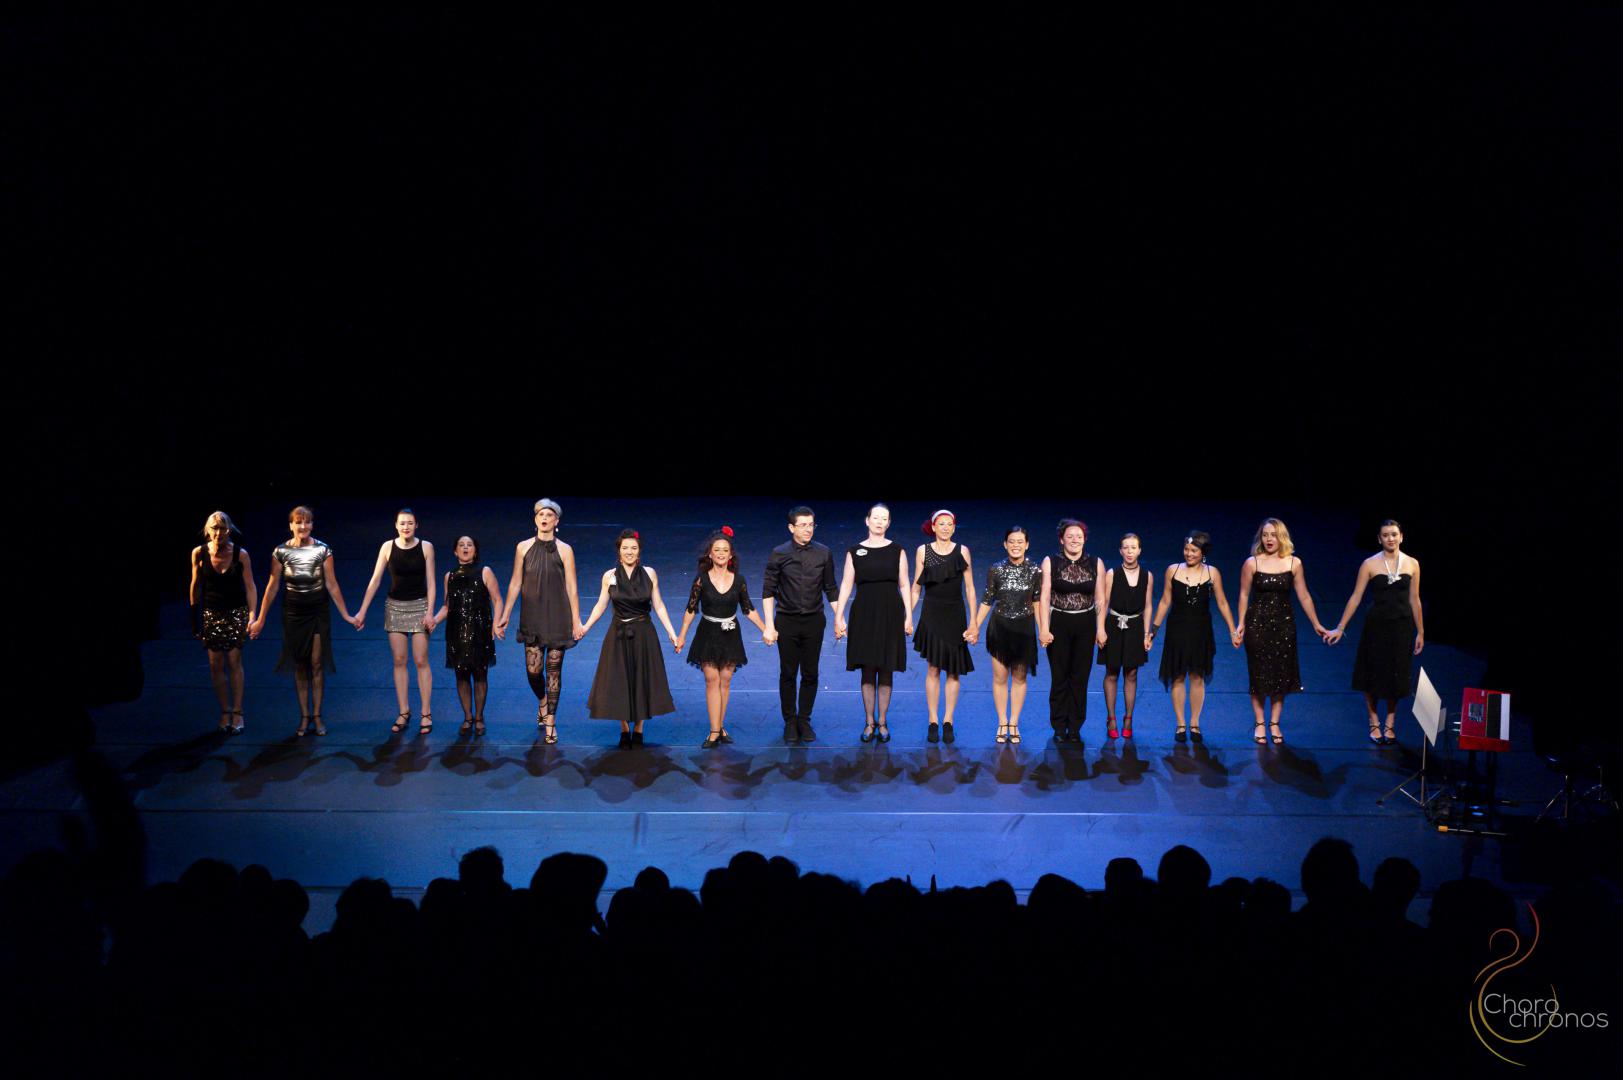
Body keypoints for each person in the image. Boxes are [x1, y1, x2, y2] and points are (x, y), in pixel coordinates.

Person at [249, 506, 358, 736]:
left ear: (312, 525)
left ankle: (317, 716)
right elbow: (272, 587)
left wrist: (347, 615)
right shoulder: (280, 551)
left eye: (307, 522)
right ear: (291, 525)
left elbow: (332, 584)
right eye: (298, 522)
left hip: (318, 611)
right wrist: (260, 619)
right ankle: (304, 717)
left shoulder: (323, 550)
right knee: (300, 664)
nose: (303, 526)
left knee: (316, 663)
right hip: (293, 613)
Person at [1325, 520, 1424, 745]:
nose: (1390, 538)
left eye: (1394, 534)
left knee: (1396, 675)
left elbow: (1415, 599)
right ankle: (1373, 720)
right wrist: (1340, 627)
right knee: (1371, 673)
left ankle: (1390, 722)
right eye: (1386, 535)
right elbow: (1356, 597)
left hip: (1402, 627)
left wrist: (1420, 631)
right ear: (1379, 539)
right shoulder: (1369, 564)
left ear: (1401, 537)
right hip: (1376, 627)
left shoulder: (1412, 564)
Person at [1235, 518, 1332, 744]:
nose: (1269, 539)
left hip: (1284, 626)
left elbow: (1304, 596)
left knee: (1281, 675)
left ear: (1282, 537)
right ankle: (1260, 723)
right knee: (1259, 674)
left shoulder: (1293, 563)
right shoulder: (1252, 563)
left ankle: (1275, 722)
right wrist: (1240, 624)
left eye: (1274, 535)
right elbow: (1243, 595)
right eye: (1265, 535)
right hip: (1257, 625)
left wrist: (1316, 623)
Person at [676, 527, 774, 748]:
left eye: (725, 550)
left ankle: (719, 726)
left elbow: (748, 609)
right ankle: (714, 731)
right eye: (717, 550)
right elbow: (691, 609)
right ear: (710, 554)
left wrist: (765, 628)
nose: (721, 553)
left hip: (730, 635)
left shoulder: (739, 580)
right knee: (712, 679)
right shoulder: (701, 580)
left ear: (731, 555)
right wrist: (682, 635)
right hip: (707, 634)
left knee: (725, 681)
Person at [496, 498, 584, 745]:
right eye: (540, 515)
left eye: (549, 515)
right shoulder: (523, 547)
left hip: (558, 617)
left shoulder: (565, 550)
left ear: (556, 521)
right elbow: (515, 582)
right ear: (535, 519)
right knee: (533, 671)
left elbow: (572, 587)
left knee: (554, 671)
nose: (544, 518)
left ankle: (551, 722)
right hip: (532, 617)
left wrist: (576, 620)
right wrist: (505, 614)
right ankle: (543, 702)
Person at [582, 529, 679, 747]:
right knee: (620, 680)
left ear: (639, 551)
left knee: (642, 678)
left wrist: (672, 633)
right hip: (618, 634)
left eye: (633, 548)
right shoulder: (609, 576)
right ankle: (624, 728)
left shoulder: (650, 573)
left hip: (644, 634)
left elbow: (659, 605)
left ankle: (639, 728)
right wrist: (586, 626)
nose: (629, 552)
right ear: (618, 551)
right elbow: (601, 605)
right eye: (625, 548)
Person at [834, 503, 913, 743]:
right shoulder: (854, 551)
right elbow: (846, 584)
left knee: (886, 667)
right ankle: (869, 721)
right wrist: (838, 615)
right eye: (875, 518)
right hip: (864, 614)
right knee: (867, 668)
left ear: (889, 523)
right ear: (867, 521)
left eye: (884, 518)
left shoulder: (897, 550)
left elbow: (904, 584)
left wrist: (909, 616)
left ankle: (883, 721)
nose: (879, 522)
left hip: (890, 613)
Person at [354, 509, 438, 735]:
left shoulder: (426, 547)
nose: (406, 527)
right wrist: (362, 611)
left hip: (420, 607)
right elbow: (375, 580)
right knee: (399, 660)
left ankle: (426, 712)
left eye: (410, 523)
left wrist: (430, 612)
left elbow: (431, 582)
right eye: (402, 523)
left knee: (420, 660)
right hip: (395, 607)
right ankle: (403, 711)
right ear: (396, 525)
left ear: (416, 525)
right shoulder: (387, 547)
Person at [1151, 531, 1239, 743]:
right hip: (1177, 630)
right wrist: (1153, 631)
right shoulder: (1173, 570)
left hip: (1201, 631)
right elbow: (1165, 601)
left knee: (1197, 676)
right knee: (1178, 676)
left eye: (1194, 550)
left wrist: (1233, 630)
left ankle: (1195, 723)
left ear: (1203, 552)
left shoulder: (1212, 573)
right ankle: (1181, 724)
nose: (1189, 554)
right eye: (1186, 549)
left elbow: (1222, 603)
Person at [761, 506, 838, 745]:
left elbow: (830, 588)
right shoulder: (779, 553)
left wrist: (840, 617)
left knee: (810, 672)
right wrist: (768, 626)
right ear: (791, 527)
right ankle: (789, 721)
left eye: (811, 525)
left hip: (814, 621)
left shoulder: (824, 553)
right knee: (788, 672)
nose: (808, 529)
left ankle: (804, 720)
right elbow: (768, 591)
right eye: (803, 525)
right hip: (787, 621)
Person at [189, 511, 258, 735]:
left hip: (236, 612)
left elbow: (250, 587)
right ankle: (225, 712)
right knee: (215, 664)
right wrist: (194, 617)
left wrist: (252, 615)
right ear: (207, 530)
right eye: (214, 528)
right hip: (211, 613)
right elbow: (195, 586)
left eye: (222, 529)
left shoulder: (240, 554)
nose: (218, 533)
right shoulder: (199, 553)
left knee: (234, 661)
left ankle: (238, 711)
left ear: (229, 530)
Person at [911, 510, 975, 744]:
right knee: (933, 668)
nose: (946, 527)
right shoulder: (923, 551)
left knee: (953, 670)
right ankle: (933, 720)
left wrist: (974, 621)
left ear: (954, 528)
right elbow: (916, 587)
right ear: (934, 527)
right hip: (932, 614)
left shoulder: (962, 551)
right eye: (941, 524)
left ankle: (948, 720)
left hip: (955, 614)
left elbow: (970, 588)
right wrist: (908, 616)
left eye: (950, 524)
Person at [973, 526, 1042, 744]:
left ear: (1027, 544)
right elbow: (987, 599)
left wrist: (1043, 629)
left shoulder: (1035, 570)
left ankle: (1014, 722)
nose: (1015, 545)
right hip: (1000, 627)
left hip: (1024, 629)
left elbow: (1037, 602)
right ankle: (1002, 721)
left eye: (1020, 541)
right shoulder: (996, 569)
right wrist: (975, 625)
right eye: (1011, 541)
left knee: (1020, 678)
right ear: (1005, 544)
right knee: (1000, 677)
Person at [429, 535, 502, 736]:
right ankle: (468, 717)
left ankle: (479, 717)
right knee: (461, 675)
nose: (465, 547)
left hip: (480, 631)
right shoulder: (449, 576)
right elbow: (447, 606)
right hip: (456, 632)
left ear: (475, 551)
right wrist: (434, 620)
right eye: (461, 545)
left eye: (469, 545)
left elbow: (497, 600)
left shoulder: (485, 572)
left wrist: (496, 624)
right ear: (455, 551)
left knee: (480, 674)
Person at [1039, 518, 1104, 742]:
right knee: (1059, 676)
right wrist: (1044, 628)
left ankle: (1075, 727)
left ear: (1085, 539)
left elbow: (1100, 598)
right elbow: (1044, 596)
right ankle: (1059, 726)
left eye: (1079, 536)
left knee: (1080, 677)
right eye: (1070, 536)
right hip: (1059, 622)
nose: (1075, 540)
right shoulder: (1051, 562)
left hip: (1085, 624)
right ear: (1061, 540)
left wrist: (1101, 628)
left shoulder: (1095, 562)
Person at [1097, 534, 1154, 739]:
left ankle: (1128, 718)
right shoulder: (1112, 573)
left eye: (1133, 547)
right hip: (1114, 625)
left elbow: (1148, 606)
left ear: (1139, 550)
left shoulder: (1147, 576)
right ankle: (1111, 718)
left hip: (1135, 626)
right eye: (1126, 548)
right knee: (1112, 672)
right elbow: (1103, 602)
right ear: (1120, 551)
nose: (1130, 551)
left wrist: (1147, 634)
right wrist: (1100, 629)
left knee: (1131, 673)